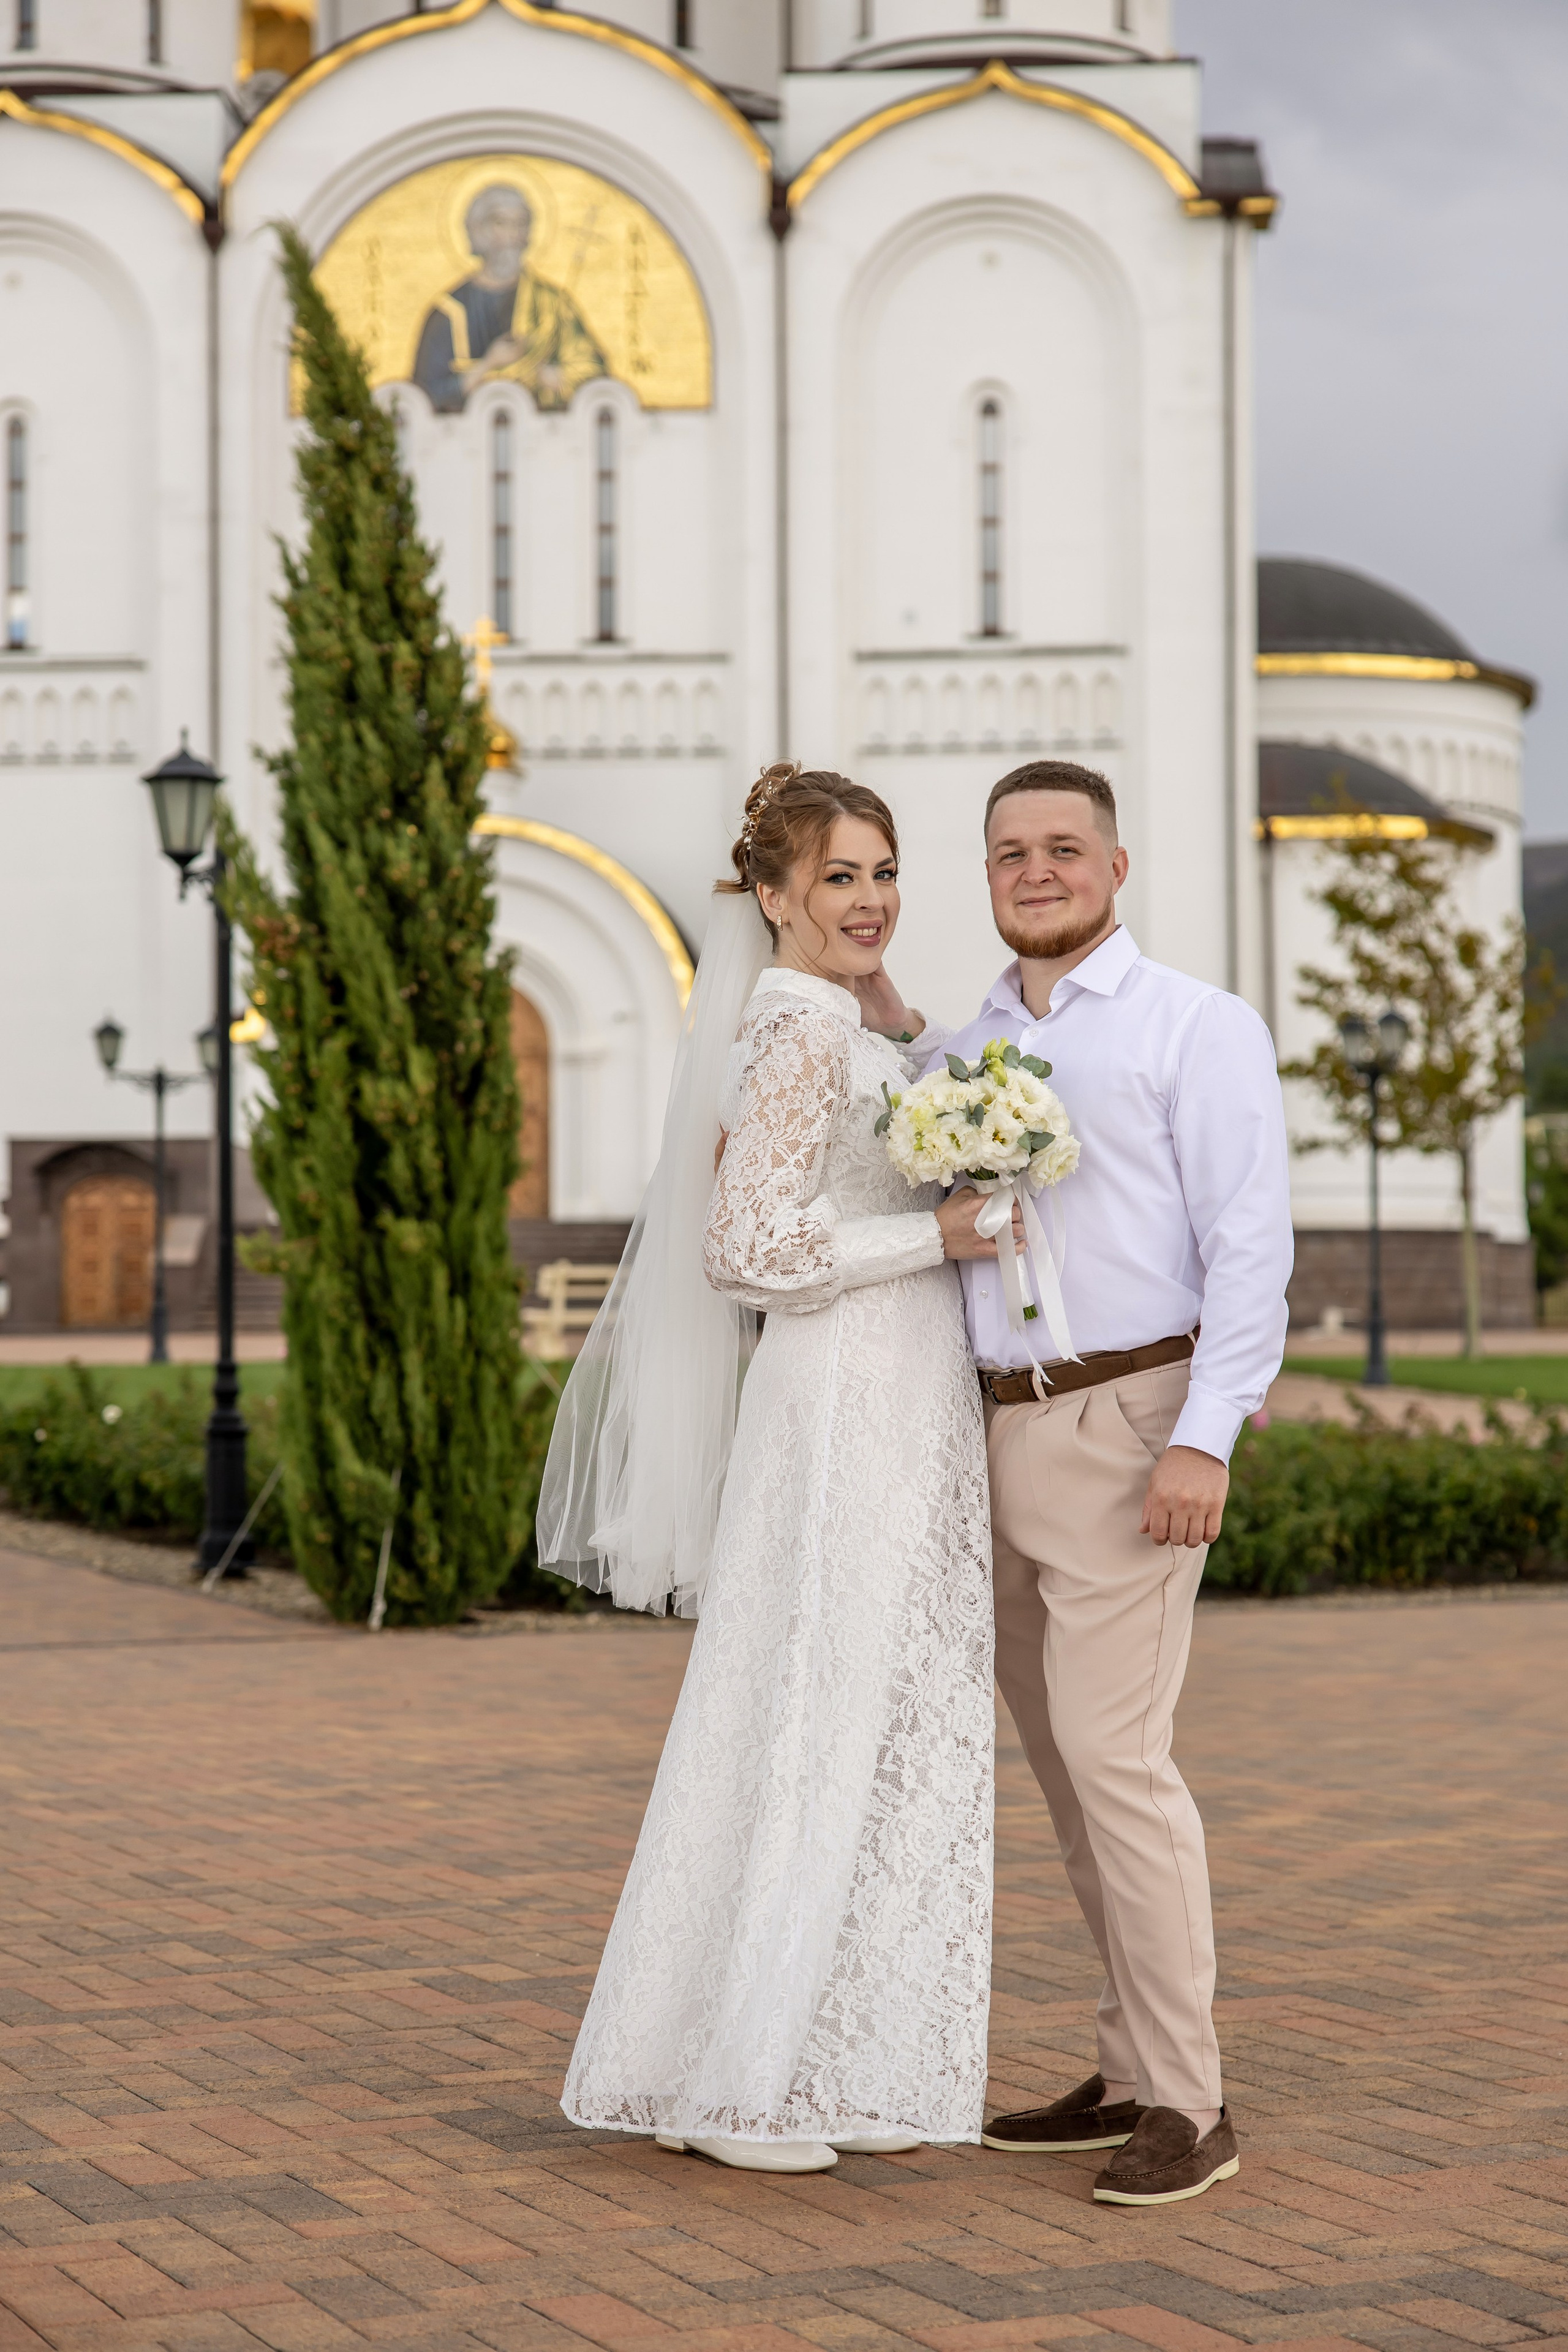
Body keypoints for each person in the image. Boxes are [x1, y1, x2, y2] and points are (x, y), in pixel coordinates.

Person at [538, 763, 1009, 2174]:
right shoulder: (793, 1029)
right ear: (771, 895)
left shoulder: (834, 1020)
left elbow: (848, 1157)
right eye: (840, 878)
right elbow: (742, 1252)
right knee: (816, 1705)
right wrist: (941, 1237)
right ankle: (739, 2081)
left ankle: (795, 2052)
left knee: (857, 1710)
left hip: (893, 1386)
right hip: (845, 1394)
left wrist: (907, 1034)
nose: (870, 899)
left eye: (882, 872)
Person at [949, 758, 1292, 2207]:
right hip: (988, 1434)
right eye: (1010, 851)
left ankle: (1189, 2102)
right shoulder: (964, 1045)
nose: (1036, 870)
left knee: (1120, 1769)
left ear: (1115, 864)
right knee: (1071, 1780)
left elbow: (1250, 1245)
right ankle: (1129, 2065)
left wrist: (1203, 1433)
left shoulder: (1192, 1026)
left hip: (1126, 1423)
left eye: (1063, 848)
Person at [412, 184, 606, 414]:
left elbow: (592, 374)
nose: (513, 236)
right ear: (478, 230)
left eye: (521, 224)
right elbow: (424, 398)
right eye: (501, 224)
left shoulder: (553, 304)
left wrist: (552, 378)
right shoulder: (447, 313)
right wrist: (489, 365)